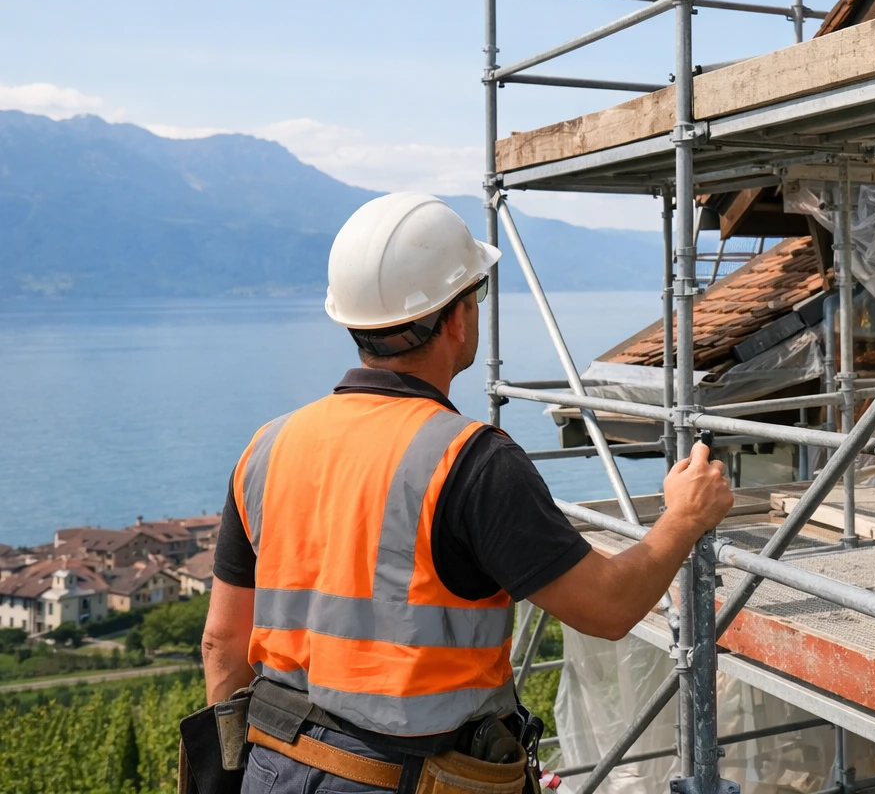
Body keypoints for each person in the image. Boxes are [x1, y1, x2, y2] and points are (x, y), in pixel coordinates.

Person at [200, 192, 733, 794]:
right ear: (456, 319)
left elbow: (224, 644)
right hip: (413, 778)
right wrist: (683, 518)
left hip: (274, 768)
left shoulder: (266, 448)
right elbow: (607, 609)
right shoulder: (471, 460)